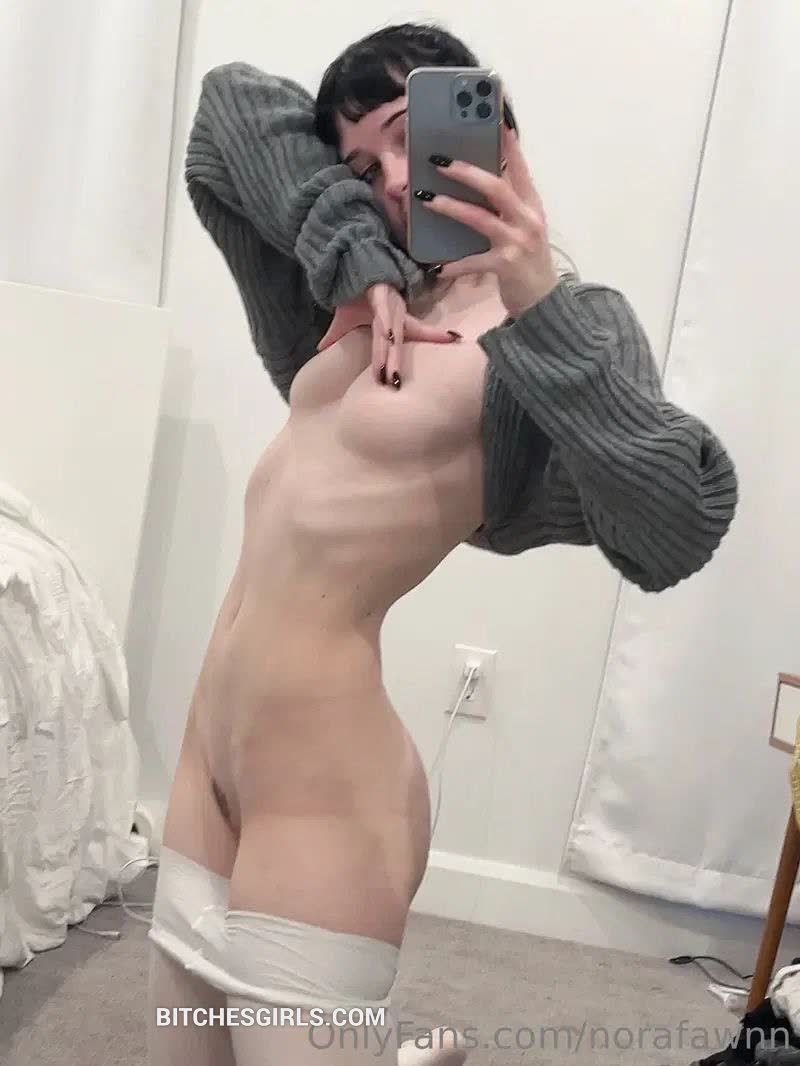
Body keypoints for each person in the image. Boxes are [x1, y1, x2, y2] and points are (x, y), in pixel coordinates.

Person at [145, 21, 739, 1066]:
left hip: (328, 790)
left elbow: (676, 526)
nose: (385, 181)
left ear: (489, 126)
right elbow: (225, 111)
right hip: (206, 761)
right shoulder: (362, 294)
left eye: (404, 138)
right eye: (357, 166)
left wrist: (535, 299)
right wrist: (353, 253)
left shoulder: (567, 323)